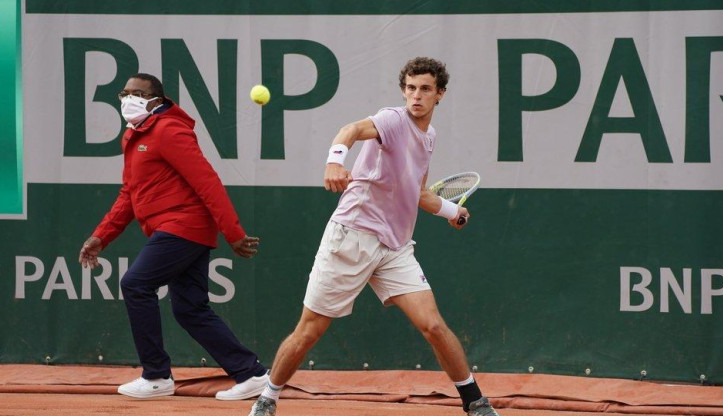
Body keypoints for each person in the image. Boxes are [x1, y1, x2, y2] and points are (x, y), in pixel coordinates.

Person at [248, 58, 500, 416]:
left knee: (432, 324)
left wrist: (450, 211)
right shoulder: (393, 120)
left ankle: (474, 401)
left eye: (425, 89)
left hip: (395, 248)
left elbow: (417, 191)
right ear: (403, 91)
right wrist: (335, 161)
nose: (416, 96)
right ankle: (268, 397)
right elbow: (350, 130)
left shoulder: (428, 136)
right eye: (411, 88)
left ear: (440, 94)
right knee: (309, 331)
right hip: (351, 238)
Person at [78, 73, 269, 401]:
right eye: (125, 92)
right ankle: (251, 374)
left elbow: (206, 180)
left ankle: (156, 375)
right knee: (190, 309)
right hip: (176, 229)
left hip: (184, 226)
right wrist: (101, 236)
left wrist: (233, 233)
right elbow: (130, 193)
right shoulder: (134, 136)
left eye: (137, 93)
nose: (128, 98)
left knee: (136, 283)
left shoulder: (169, 130)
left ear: (157, 100)